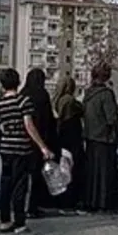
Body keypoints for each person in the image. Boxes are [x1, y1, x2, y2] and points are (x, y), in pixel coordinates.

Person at [0, 68, 53, 235]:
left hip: (5, 147)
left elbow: (0, 125)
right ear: (18, 81)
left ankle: (5, 220)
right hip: (21, 148)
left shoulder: (0, 102)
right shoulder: (23, 101)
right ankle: (20, 224)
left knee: (5, 184)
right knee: (20, 186)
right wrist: (43, 147)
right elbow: (29, 125)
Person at [80, 63, 118, 213]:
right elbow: (112, 118)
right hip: (105, 138)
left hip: (90, 137)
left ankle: (90, 200)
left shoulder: (88, 93)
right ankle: (104, 202)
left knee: (92, 172)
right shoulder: (106, 94)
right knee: (105, 173)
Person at [21, 68, 58, 216]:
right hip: (40, 140)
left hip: (23, 140)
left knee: (23, 175)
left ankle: (21, 205)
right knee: (37, 175)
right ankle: (33, 206)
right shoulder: (42, 96)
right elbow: (48, 120)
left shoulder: (23, 94)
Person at [53, 73, 84, 210]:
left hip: (60, 140)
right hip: (72, 139)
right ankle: (70, 202)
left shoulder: (56, 100)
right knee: (73, 170)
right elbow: (80, 111)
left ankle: (61, 201)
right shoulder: (70, 101)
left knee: (63, 170)